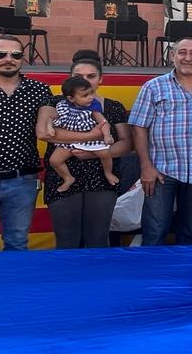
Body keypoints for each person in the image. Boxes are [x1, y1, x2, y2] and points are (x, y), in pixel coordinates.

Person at [37, 55, 133, 249]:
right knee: (66, 239)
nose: (84, 80)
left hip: (101, 180)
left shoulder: (112, 106)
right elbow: (45, 133)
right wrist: (90, 137)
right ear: (69, 79)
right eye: (78, 75)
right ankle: (68, 279)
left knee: (98, 239)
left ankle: (97, 279)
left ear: (100, 79)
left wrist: (91, 152)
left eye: (91, 76)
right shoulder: (55, 102)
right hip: (63, 177)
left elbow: (126, 144)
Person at [129, 37, 192, 246]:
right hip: (161, 172)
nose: (188, 58)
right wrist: (146, 167)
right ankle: (152, 277)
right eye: (182, 52)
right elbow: (139, 127)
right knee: (156, 231)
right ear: (172, 56)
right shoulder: (153, 87)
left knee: (188, 232)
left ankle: (183, 277)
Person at [0, 35, 51, 251]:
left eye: (15, 54)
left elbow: (49, 126)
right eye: (0, 54)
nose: (8, 58)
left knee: (17, 242)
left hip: (22, 180)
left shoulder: (39, 90)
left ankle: (11, 285)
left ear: (22, 58)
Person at [44, 76, 116, 192]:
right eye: (85, 95)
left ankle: (108, 173)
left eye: (91, 93)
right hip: (70, 139)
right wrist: (49, 127)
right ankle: (68, 178)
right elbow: (50, 117)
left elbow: (104, 123)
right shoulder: (62, 106)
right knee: (54, 161)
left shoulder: (93, 107)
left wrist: (107, 135)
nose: (90, 97)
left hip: (90, 138)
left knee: (105, 154)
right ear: (71, 98)